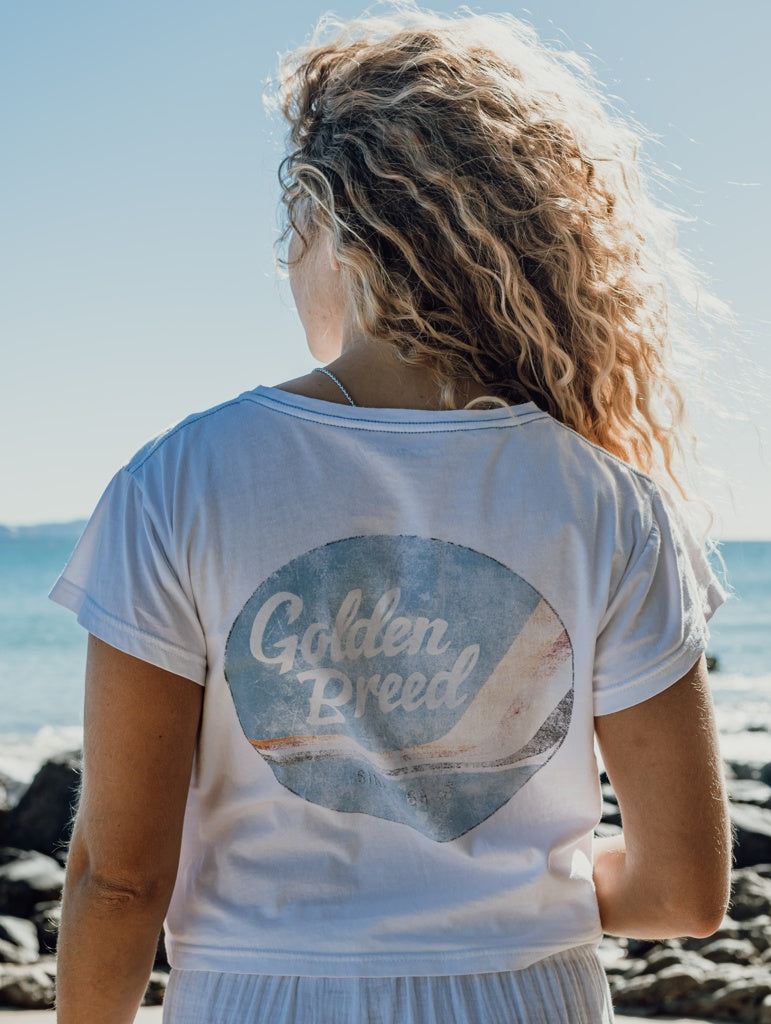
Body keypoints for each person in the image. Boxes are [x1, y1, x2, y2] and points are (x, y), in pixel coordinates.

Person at [50, 6, 732, 1022]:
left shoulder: (179, 480)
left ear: (328, 222)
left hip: (260, 997)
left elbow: (119, 877)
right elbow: (682, 891)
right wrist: (520, 896)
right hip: (529, 996)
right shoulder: (608, 503)